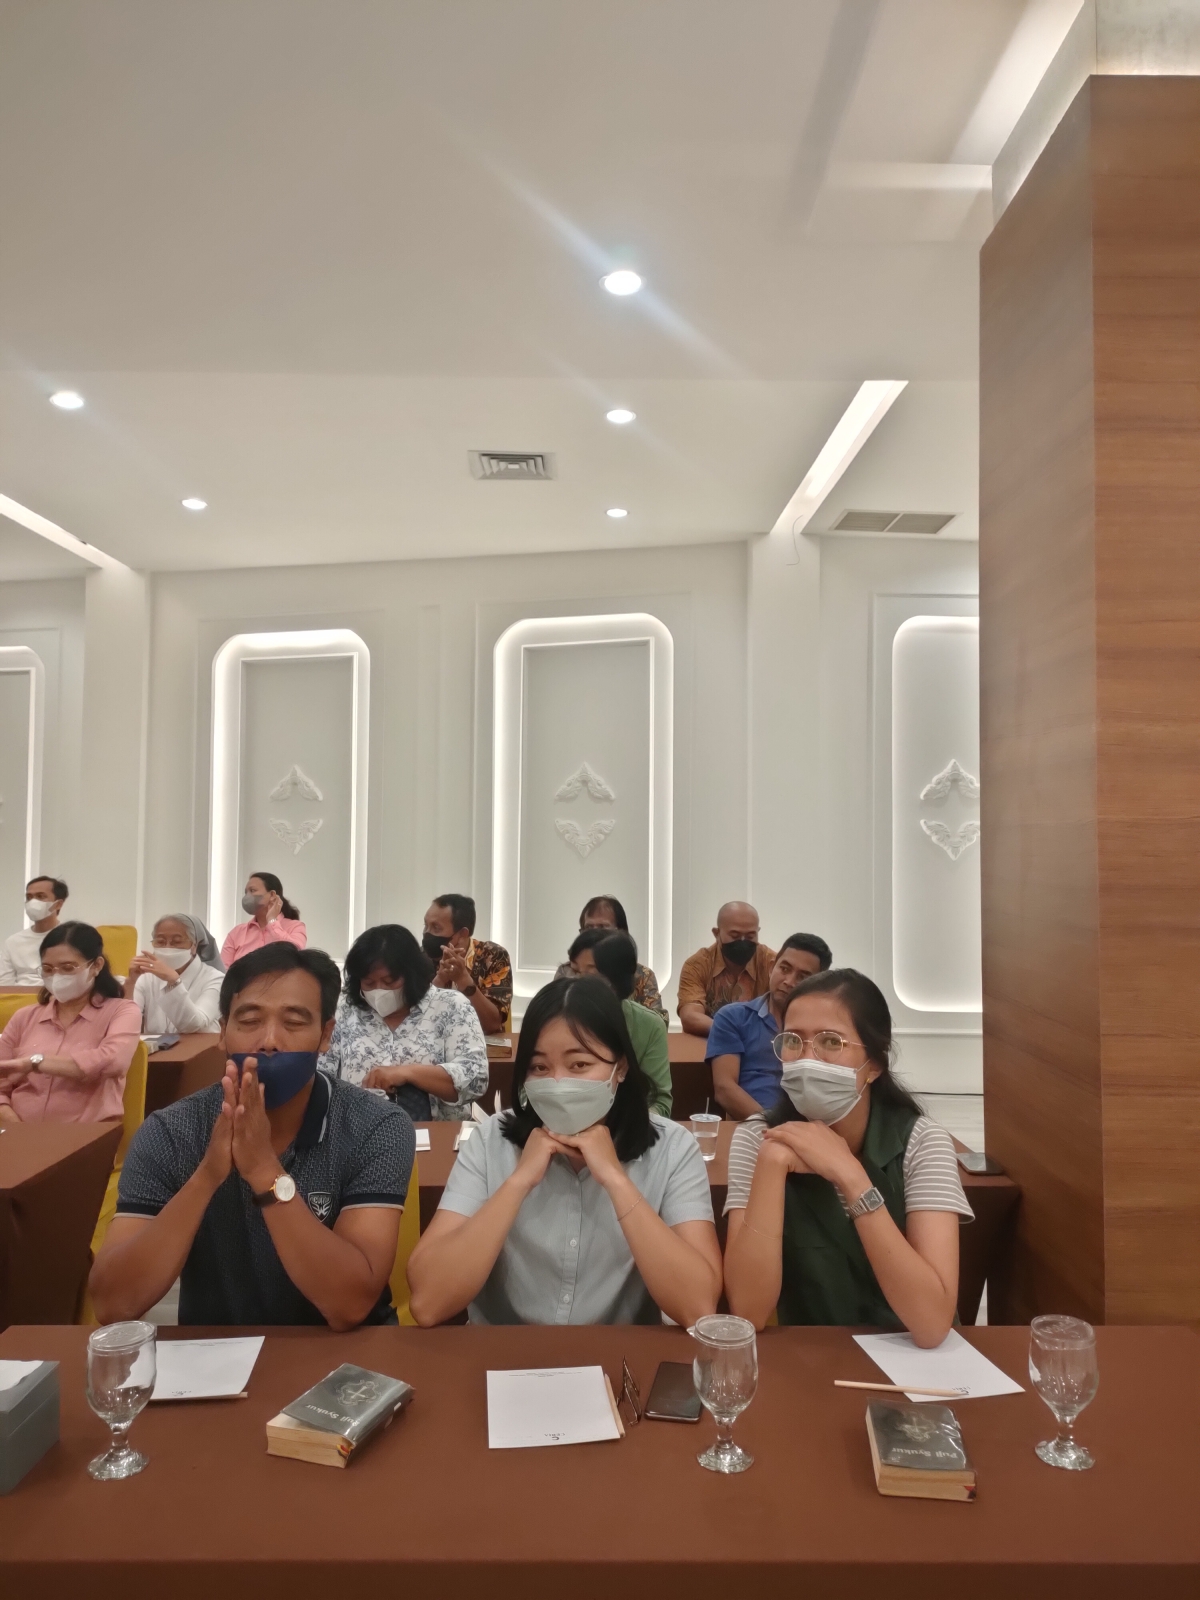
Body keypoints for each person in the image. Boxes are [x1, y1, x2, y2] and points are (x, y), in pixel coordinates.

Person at [89, 942, 415, 1329]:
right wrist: (207, 1176)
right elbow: (113, 1304)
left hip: (346, 1354)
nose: (270, 1041)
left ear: (326, 1034)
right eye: (249, 1021)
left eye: (294, 1022)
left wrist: (263, 1170)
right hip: (216, 1351)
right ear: (222, 1031)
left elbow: (349, 1304)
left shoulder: (376, 1125)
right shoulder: (170, 1131)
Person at [407, 977, 720, 1328]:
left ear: (620, 1067)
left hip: (618, 1355)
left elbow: (698, 1307)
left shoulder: (673, 1148)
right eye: (539, 1068)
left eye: (579, 1065)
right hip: (504, 1353)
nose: (557, 1083)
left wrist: (615, 1180)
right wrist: (519, 1182)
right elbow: (428, 1303)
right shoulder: (490, 1140)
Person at [722, 969, 972, 1346]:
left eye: (830, 1041)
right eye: (793, 1041)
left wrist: (851, 1177)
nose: (807, 1058)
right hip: (810, 1358)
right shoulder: (757, 1138)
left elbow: (932, 1324)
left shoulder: (922, 1142)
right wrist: (772, 1163)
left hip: (911, 1360)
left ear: (874, 1064)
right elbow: (748, 1312)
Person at [323, 924, 489, 1122]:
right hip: (358, 1132)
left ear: (412, 975)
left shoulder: (450, 1006)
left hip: (436, 1134)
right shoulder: (344, 1009)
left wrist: (407, 1073)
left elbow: (476, 1079)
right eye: (369, 983)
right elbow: (321, 1076)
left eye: (389, 982)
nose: (379, 990)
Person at [0, 921, 140, 1124]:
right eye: (48, 969)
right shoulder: (24, 1017)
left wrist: (35, 1063)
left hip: (86, 1133)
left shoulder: (121, 1011)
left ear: (96, 966)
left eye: (67, 968)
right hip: (18, 1131)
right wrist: (14, 1124)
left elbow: (113, 1061)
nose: (56, 976)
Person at [707, 933, 833, 1120]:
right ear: (772, 967)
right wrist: (772, 1126)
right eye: (784, 969)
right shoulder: (733, 1018)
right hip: (754, 1124)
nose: (789, 981)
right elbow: (725, 1089)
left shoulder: (827, 1030)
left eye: (802, 977)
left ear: (818, 984)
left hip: (811, 1125)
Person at [569, 929, 672, 1116]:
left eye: (590, 976)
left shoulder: (649, 1026)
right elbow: (526, 1092)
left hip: (629, 1126)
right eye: (575, 972)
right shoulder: (553, 1019)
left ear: (618, 981)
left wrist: (632, 1126)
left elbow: (660, 1101)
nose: (578, 983)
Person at [553, 896, 666, 1020]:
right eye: (588, 928)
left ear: (621, 932)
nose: (595, 934)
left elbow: (657, 1021)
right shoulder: (566, 971)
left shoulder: (643, 976)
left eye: (603, 927)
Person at [677, 901, 776, 1036]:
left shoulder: (771, 963)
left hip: (757, 1042)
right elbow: (690, 1017)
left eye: (750, 936)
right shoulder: (697, 965)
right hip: (709, 1041)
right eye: (735, 936)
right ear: (717, 933)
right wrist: (731, 1031)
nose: (743, 941)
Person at [421, 894, 512, 1033]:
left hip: (482, 1043)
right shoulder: (421, 958)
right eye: (426, 926)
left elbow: (492, 1024)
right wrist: (439, 981)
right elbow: (415, 1021)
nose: (427, 934)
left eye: (436, 928)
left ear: (462, 934)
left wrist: (463, 979)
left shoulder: (492, 956)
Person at [124, 914, 223, 1035]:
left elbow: (194, 1025)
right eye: (160, 942)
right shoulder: (146, 976)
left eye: (176, 942)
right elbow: (126, 1021)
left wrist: (174, 982)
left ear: (194, 946)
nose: (168, 948)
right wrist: (131, 982)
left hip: (200, 1046)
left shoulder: (215, 979)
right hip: (155, 1046)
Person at [220, 872, 306, 968]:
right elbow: (223, 970)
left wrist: (272, 921)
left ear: (272, 895)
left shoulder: (296, 927)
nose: (247, 897)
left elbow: (291, 954)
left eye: (252, 890)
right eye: (246, 892)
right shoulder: (236, 933)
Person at [0, 875, 68, 985]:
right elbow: (4, 984)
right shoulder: (13, 942)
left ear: (58, 904)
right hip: (20, 995)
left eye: (40, 896)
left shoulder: (71, 938)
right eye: (29, 897)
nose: (33, 902)